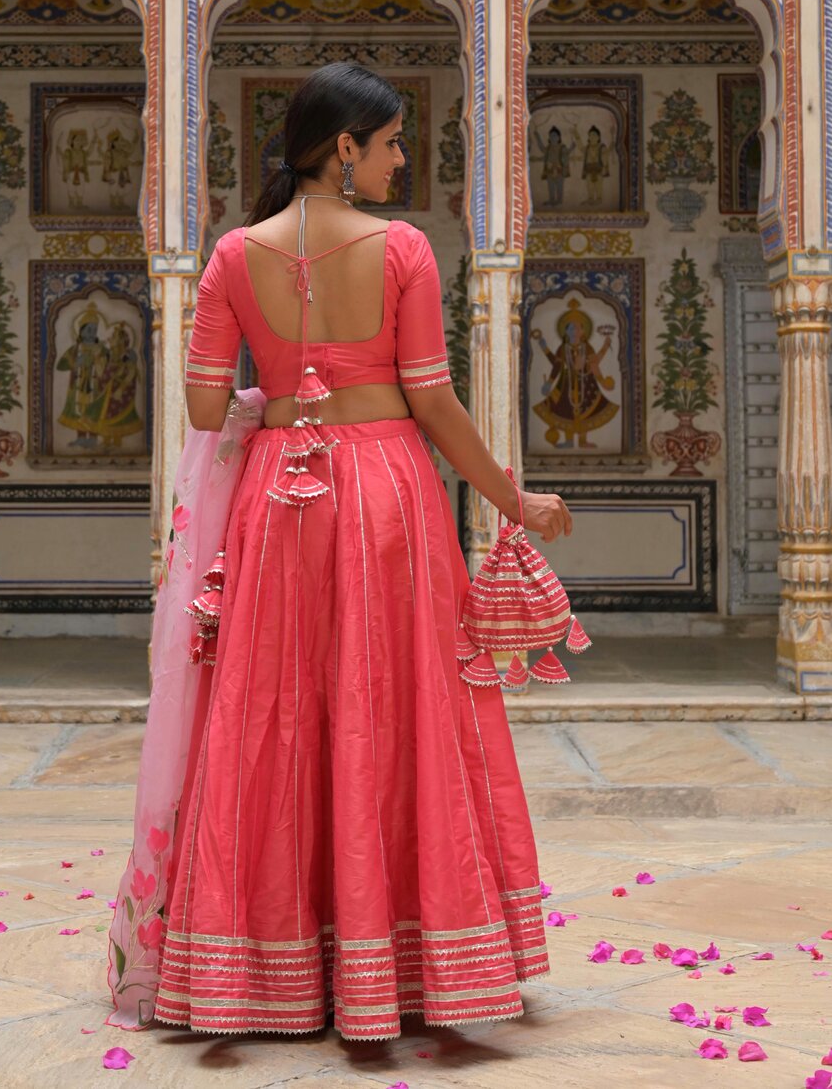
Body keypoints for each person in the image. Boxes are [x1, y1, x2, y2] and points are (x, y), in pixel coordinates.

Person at [107, 62, 572, 1042]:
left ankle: (258, 970)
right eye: (393, 141)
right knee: (396, 704)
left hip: (277, 498)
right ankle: (399, 963)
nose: (404, 158)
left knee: (271, 707)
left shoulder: (232, 255)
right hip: (388, 495)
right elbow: (433, 400)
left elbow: (199, 408)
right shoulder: (401, 249)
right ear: (343, 148)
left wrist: (282, 402)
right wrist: (512, 501)